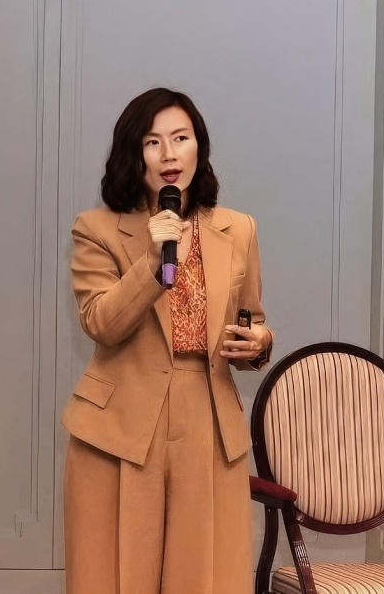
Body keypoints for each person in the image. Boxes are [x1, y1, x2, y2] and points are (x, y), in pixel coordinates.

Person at [61, 87, 275, 594]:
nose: (169, 154)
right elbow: (101, 322)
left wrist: (260, 343)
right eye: (152, 142)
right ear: (134, 155)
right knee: (115, 576)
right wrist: (153, 262)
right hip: (120, 425)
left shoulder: (238, 229)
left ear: (199, 146)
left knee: (204, 578)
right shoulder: (97, 229)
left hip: (209, 420)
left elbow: (253, 318)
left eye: (181, 138)